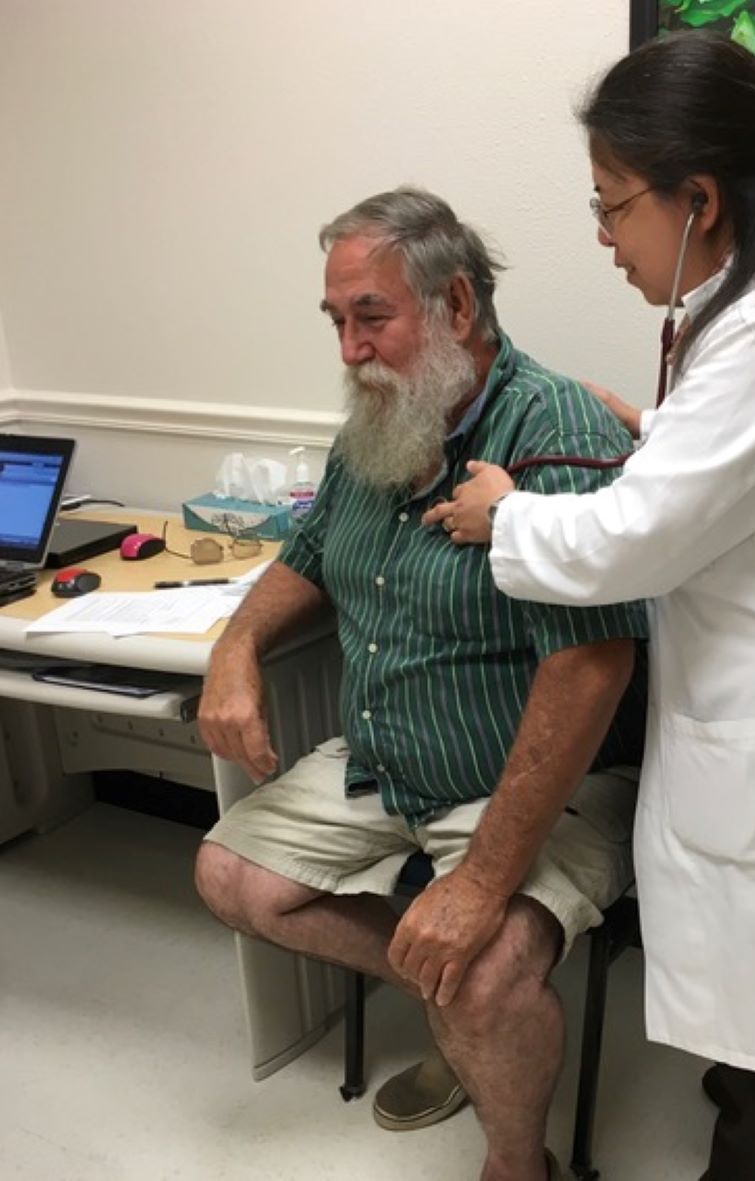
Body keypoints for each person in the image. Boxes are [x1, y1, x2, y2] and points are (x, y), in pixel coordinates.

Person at [424, 34, 755, 1181]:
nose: (604, 235)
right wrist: (661, 434)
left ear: (700, 198)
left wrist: (504, 515)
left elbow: (631, 541)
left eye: (613, 205)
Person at [194, 187, 647, 1181]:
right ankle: (457, 1001)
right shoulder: (377, 424)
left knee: (480, 971)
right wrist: (234, 650)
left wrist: (481, 883)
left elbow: (592, 661)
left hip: (534, 782)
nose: (350, 349)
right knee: (232, 877)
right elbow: (307, 556)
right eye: (338, 322)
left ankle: (517, 1153)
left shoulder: (553, 427)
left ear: (456, 310)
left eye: (371, 318)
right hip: (384, 766)